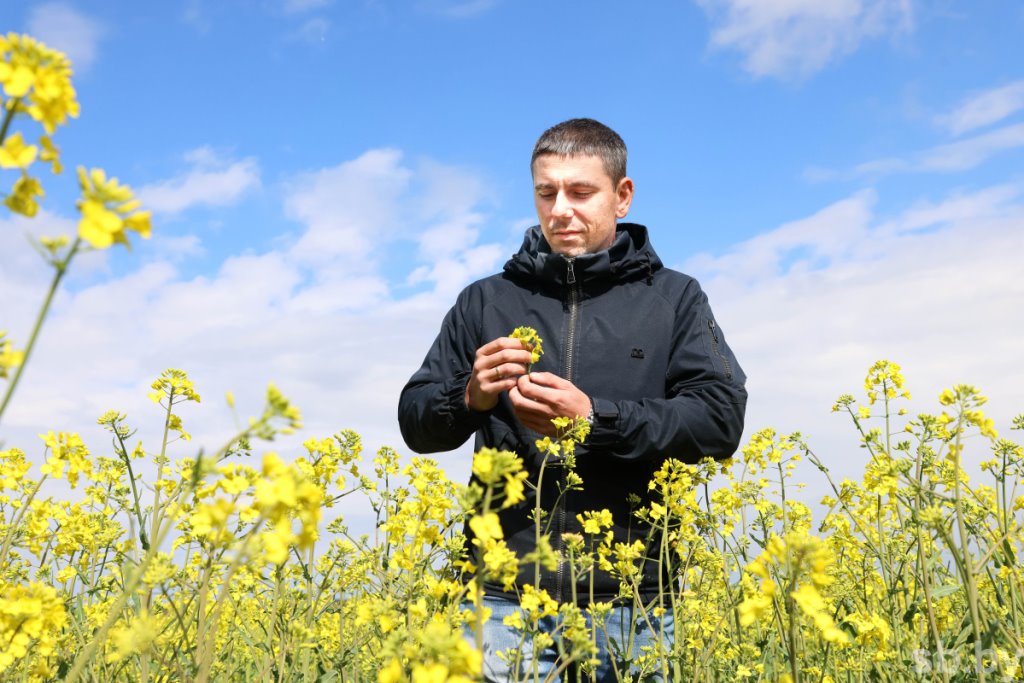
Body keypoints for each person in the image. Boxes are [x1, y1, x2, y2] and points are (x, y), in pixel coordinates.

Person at [398, 118, 747, 681]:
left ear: (622, 196)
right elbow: (415, 422)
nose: (561, 209)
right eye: (546, 192)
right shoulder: (485, 300)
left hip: (631, 599)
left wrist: (596, 418)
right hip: (501, 596)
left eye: (581, 192)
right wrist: (470, 396)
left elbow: (720, 419)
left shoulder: (675, 298)